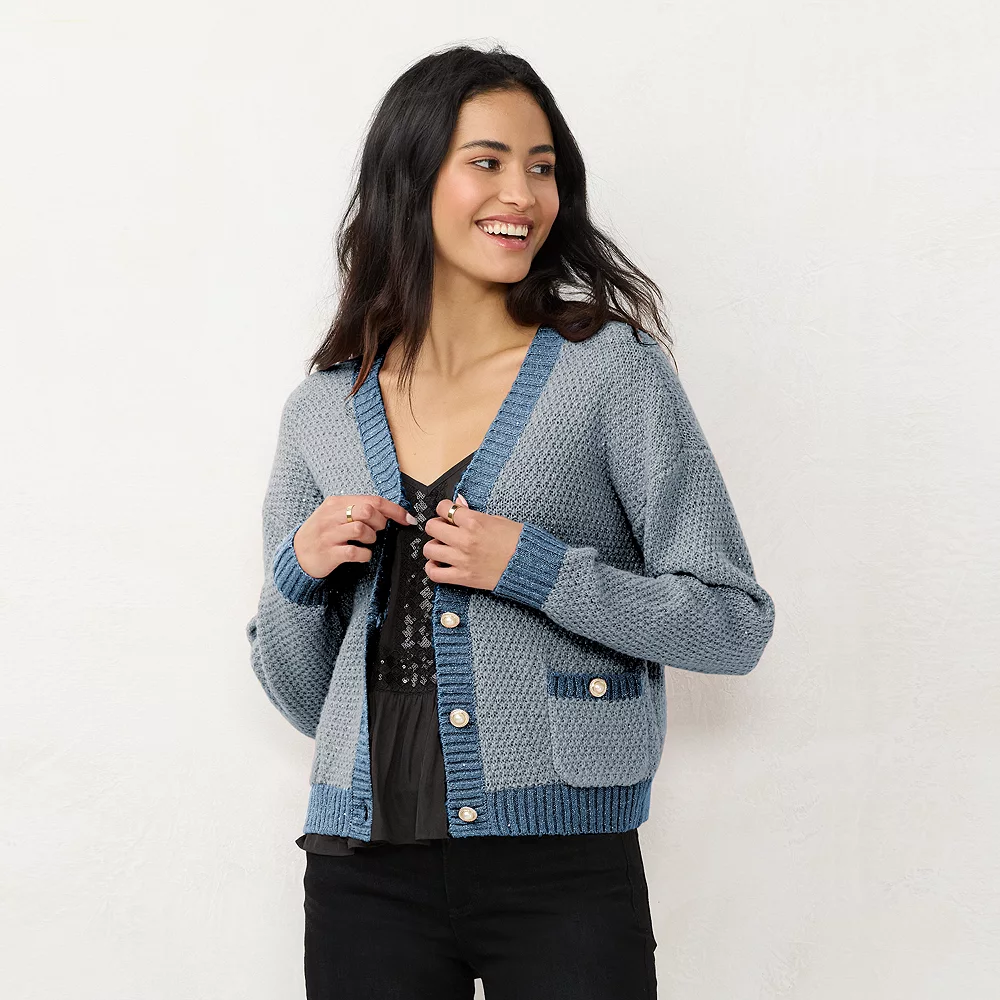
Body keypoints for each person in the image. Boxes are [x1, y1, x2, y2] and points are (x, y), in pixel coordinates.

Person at [246, 43, 776, 1000]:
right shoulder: (323, 406)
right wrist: (298, 574)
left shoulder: (610, 371)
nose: (523, 195)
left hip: (561, 870)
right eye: (486, 162)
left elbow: (732, 623)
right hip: (362, 869)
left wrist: (537, 569)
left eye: (542, 167)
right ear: (412, 180)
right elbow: (302, 695)